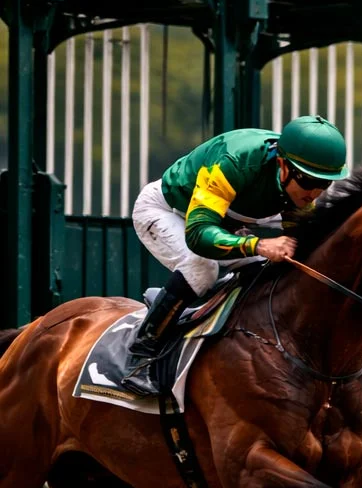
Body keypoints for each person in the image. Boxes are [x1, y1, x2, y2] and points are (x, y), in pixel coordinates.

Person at [123, 115, 348, 395]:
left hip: (222, 222)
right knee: (201, 269)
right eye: (308, 180)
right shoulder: (235, 160)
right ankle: (141, 354)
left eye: (324, 183)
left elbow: (303, 248)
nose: (314, 192)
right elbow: (198, 234)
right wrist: (259, 245)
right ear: (282, 164)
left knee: (263, 271)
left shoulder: (297, 187)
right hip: (167, 211)